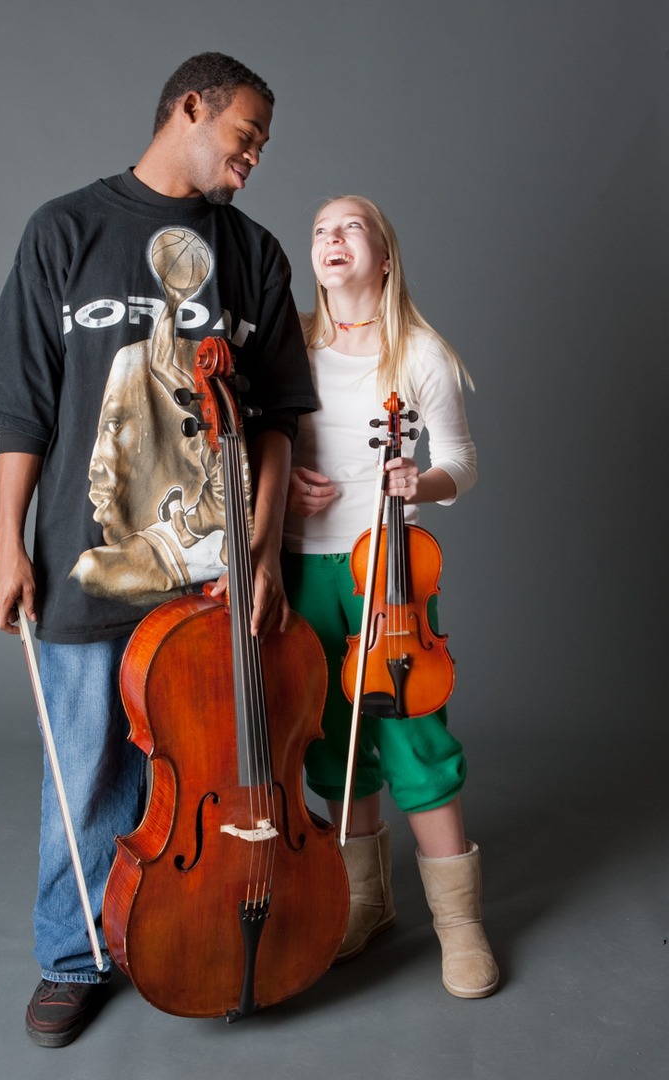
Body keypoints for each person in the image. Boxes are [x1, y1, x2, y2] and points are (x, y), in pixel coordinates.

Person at [0, 53, 317, 1047]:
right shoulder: (63, 231)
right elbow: (22, 406)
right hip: (84, 555)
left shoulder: (256, 254)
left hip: (210, 579)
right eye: (247, 132)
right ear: (189, 106)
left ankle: (197, 925)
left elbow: (279, 422)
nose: (256, 154)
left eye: (264, 144)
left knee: (205, 768)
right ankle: (73, 958)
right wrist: (6, 542)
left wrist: (261, 555)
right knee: (87, 767)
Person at [283, 195, 498, 999]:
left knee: (415, 741)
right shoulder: (290, 347)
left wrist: (423, 479)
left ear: (381, 252)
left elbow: (465, 463)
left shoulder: (421, 353)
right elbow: (268, 448)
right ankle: (365, 903)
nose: (331, 240)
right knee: (334, 745)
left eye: (350, 228)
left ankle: (460, 927)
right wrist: (287, 487)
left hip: (391, 580)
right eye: (319, 231)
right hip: (306, 566)